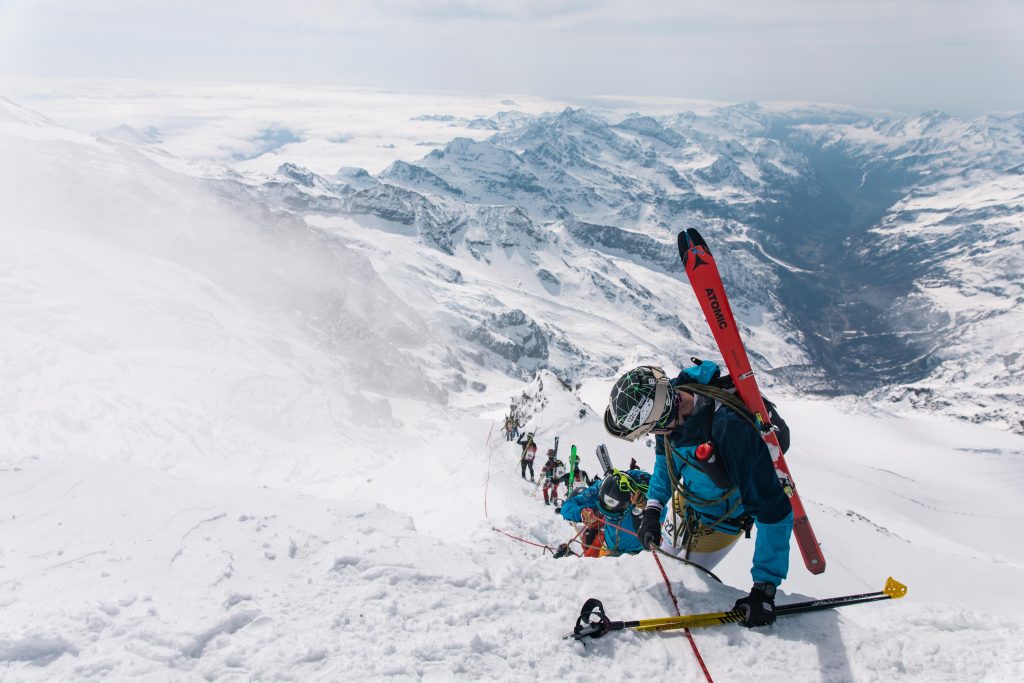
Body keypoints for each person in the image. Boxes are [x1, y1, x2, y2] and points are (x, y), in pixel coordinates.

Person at [603, 362, 792, 628]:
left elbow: (774, 512)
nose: (655, 435)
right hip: (685, 507)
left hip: (722, 523)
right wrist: (654, 509)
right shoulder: (668, 408)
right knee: (663, 566)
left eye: (653, 430)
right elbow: (665, 464)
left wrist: (765, 588)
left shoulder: (730, 430)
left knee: (682, 575)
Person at [559, 469, 666, 557]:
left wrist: (649, 507)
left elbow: (665, 513)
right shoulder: (604, 486)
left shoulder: (647, 491)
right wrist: (580, 512)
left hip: (639, 556)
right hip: (609, 548)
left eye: (614, 514)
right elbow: (568, 506)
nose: (609, 516)